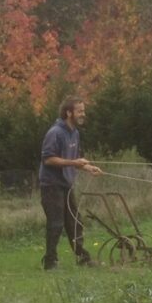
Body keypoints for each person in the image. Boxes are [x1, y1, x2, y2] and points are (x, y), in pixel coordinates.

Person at [39, 96, 102, 270]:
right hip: (51, 185)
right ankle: (50, 262)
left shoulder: (74, 133)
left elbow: (74, 160)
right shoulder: (55, 133)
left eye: (83, 110)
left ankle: (83, 257)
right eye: (80, 111)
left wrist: (88, 167)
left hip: (66, 184)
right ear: (69, 113)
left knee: (75, 221)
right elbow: (48, 159)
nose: (83, 114)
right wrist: (74, 163)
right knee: (56, 223)